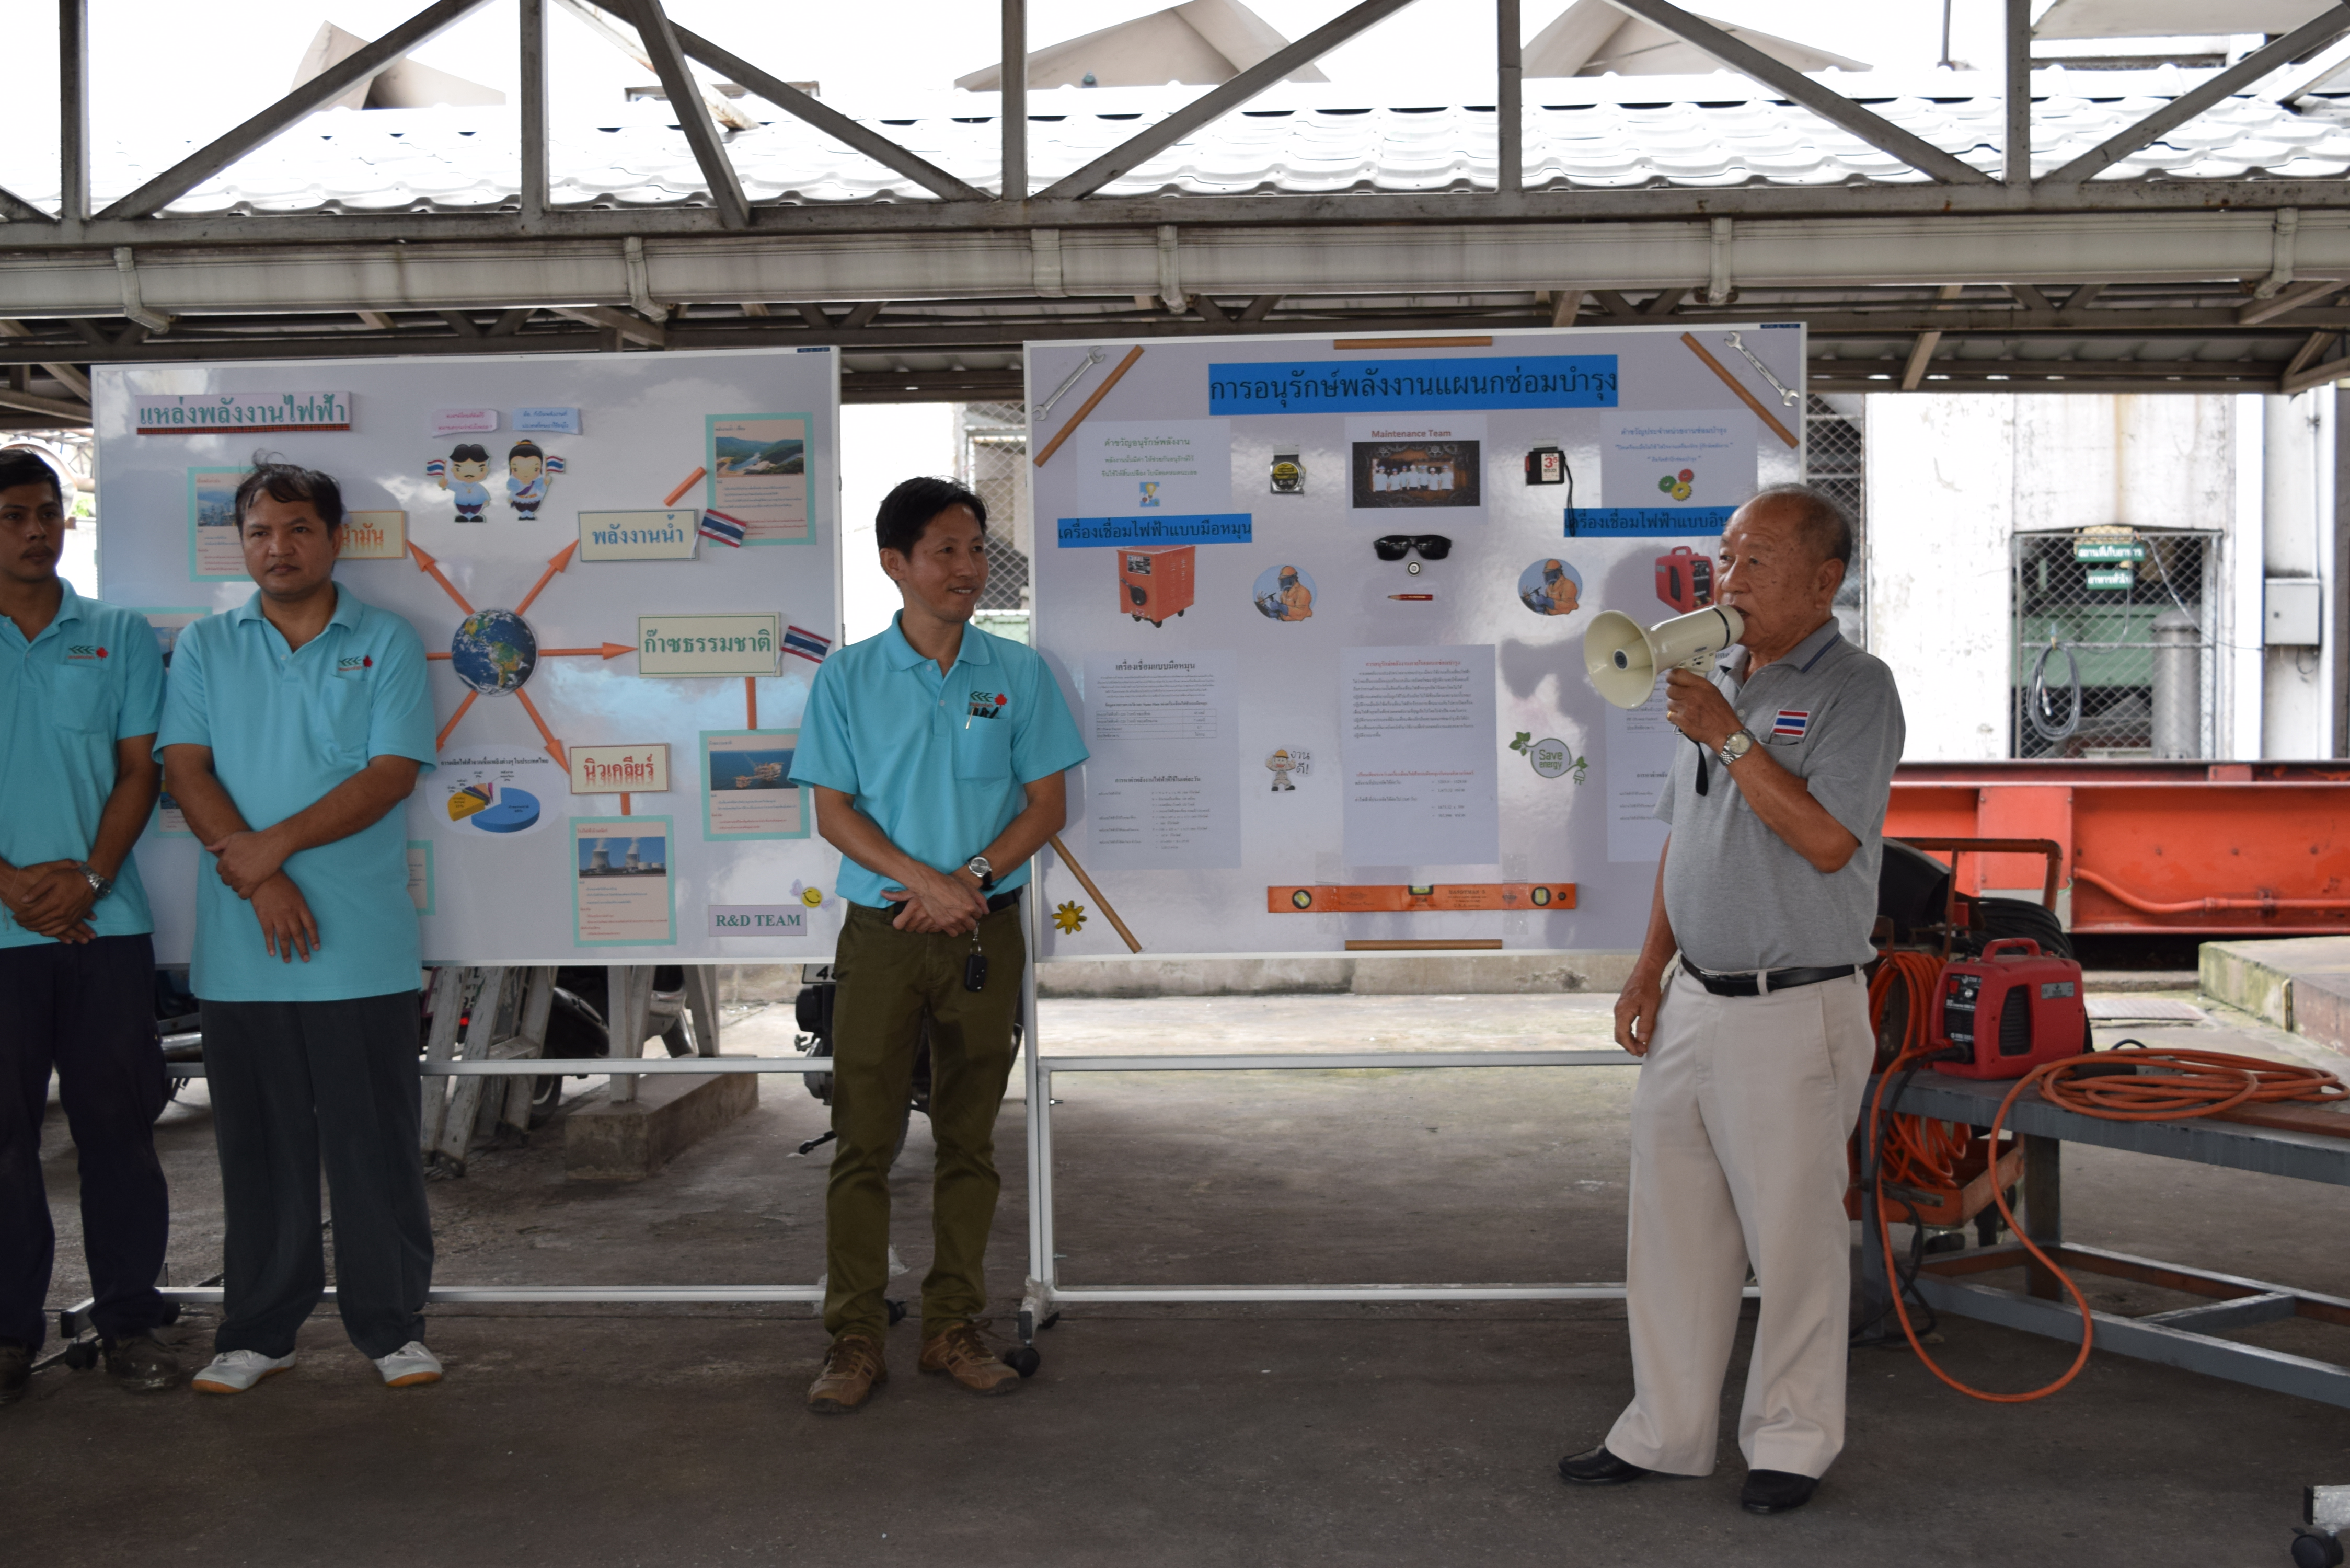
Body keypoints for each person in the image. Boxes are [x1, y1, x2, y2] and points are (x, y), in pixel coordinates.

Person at [1559, 484, 1904, 1516]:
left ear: (1824, 579)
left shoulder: (1856, 689)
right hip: (1695, 1003)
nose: (1729, 579)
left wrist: (1733, 740)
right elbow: (1689, 838)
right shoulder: (1721, 679)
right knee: (1672, 1230)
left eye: (1756, 561)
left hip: (1792, 1011)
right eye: (1725, 557)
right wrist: (1646, 970)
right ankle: (1664, 1432)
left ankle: (1792, 1443)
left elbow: (1829, 841)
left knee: (1793, 1243)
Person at [789, 476, 1086, 1414]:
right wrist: (926, 883)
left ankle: (954, 1325)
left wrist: (969, 881)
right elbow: (834, 813)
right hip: (882, 935)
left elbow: (1047, 805)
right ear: (896, 564)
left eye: (977, 549)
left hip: (982, 932)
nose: (969, 568)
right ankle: (854, 1337)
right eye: (946, 551)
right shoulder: (848, 677)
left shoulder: (1018, 673)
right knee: (863, 1141)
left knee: (969, 1140)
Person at [156, 457, 442, 1396]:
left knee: (374, 1152)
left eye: (297, 529)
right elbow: (186, 768)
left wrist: (267, 851)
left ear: (335, 539)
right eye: (259, 532)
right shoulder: (207, 646)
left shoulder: (387, 640)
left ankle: (392, 1328)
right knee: (260, 1154)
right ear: (241, 544)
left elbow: (389, 774)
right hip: (243, 952)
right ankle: (259, 1332)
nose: (277, 548)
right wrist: (261, 878)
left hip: (360, 949)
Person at [0, 449, 179, 1403]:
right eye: (14, 517)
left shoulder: (117, 634)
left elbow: (142, 770)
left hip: (105, 927)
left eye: (48, 513)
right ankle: (7, 1333)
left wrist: (91, 879)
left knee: (119, 1131)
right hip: (3, 935)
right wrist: (12, 888)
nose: (36, 531)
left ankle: (132, 1321)